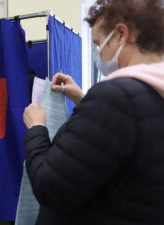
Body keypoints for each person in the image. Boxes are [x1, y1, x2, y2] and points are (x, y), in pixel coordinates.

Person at [23, 0, 164, 224]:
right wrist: (84, 100)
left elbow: (51, 188)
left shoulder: (115, 98)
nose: (99, 53)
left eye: (99, 43)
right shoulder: (154, 92)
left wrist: (37, 128)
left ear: (121, 34)